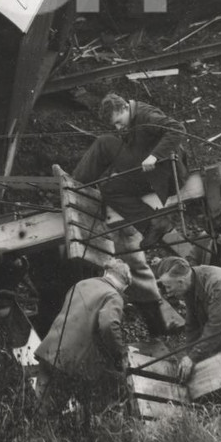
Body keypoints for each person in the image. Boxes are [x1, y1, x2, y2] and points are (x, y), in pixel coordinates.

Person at [71, 92, 188, 335]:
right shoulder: (135, 117)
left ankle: (74, 186)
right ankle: (152, 222)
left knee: (105, 143)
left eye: (118, 121)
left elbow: (177, 129)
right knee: (109, 185)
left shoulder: (146, 115)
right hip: (152, 171)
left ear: (124, 107)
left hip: (163, 174)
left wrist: (154, 156)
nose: (118, 127)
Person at [34, 259, 131, 416]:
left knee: (40, 409)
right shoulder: (113, 296)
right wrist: (120, 353)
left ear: (106, 273)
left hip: (49, 351)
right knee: (62, 413)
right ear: (125, 285)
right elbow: (108, 326)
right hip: (72, 363)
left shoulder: (80, 284)